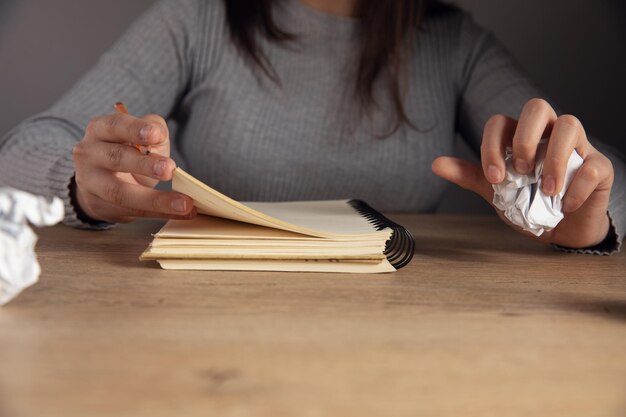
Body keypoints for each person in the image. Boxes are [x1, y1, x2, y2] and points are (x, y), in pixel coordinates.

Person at [0, 0, 623, 253]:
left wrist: (586, 209)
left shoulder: (451, 41)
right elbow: (25, 149)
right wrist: (87, 184)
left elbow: (599, 174)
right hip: (207, 330)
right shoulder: (196, 18)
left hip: (411, 332)